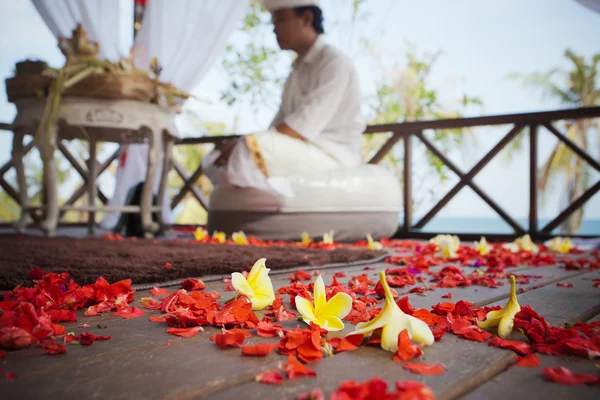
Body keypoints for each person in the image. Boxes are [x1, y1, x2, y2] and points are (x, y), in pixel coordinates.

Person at [203, 0, 365, 196]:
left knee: (246, 149)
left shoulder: (334, 63)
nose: (274, 30)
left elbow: (300, 128)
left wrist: (245, 143)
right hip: (299, 150)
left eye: (279, 21)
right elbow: (279, 125)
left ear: (306, 19)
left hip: (333, 156)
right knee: (217, 155)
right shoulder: (296, 71)